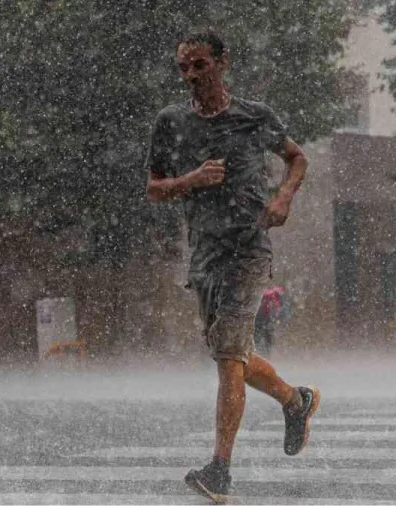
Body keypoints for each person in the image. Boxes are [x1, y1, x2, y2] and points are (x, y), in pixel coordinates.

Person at [144, 31, 320, 504]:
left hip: (248, 249)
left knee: (227, 358)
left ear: (222, 62)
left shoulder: (254, 117)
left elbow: (297, 158)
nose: (191, 76)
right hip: (203, 254)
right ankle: (295, 400)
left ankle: (219, 469)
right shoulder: (171, 121)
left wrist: (284, 196)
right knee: (232, 356)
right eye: (183, 68)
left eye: (199, 66)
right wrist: (192, 179)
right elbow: (155, 188)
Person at [254, 285, 290, 357]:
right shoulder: (276, 296)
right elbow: (281, 310)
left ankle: (259, 354)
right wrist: (281, 319)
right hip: (269, 320)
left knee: (258, 337)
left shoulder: (265, 296)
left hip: (262, 319)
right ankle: (266, 355)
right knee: (267, 338)